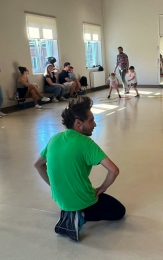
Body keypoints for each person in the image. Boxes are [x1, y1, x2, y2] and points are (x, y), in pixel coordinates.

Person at [34, 96, 126, 242]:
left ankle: (68, 211)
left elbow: (38, 165)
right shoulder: (86, 144)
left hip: (60, 199)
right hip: (82, 199)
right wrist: (102, 188)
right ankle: (81, 215)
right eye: (91, 120)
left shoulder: (55, 138)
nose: (95, 124)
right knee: (119, 211)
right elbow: (114, 170)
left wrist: (54, 186)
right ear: (78, 123)